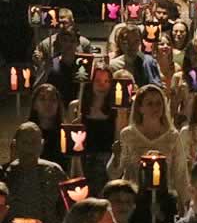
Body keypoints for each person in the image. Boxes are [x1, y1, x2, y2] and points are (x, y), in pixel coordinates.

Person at [4, 123, 67, 223]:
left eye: (34, 142)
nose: (29, 148)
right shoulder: (6, 175)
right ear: (15, 145)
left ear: (42, 144)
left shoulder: (54, 172)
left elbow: (66, 209)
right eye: (25, 142)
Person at [112, 84, 188, 208]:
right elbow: (116, 172)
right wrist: (116, 157)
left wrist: (184, 201)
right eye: (150, 103)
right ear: (140, 108)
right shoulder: (128, 135)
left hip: (164, 200)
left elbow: (180, 172)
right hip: (134, 200)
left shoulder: (172, 136)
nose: (155, 108)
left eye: (158, 103)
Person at [70, 65, 115, 194]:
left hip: (106, 161)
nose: (102, 85)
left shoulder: (115, 110)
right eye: (98, 81)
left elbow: (117, 139)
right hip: (83, 159)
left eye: (106, 81)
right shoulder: (77, 107)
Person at [28, 84, 68, 169]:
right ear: (34, 105)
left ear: (58, 105)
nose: (48, 103)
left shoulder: (66, 134)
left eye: (53, 100)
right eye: (42, 99)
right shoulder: (27, 134)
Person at [41, 25, 82, 109]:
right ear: (60, 42)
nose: (68, 44)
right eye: (65, 40)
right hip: (57, 109)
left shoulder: (83, 64)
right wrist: (46, 72)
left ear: (77, 43)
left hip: (78, 109)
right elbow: (39, 90)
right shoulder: (52, 64)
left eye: (72, 41)